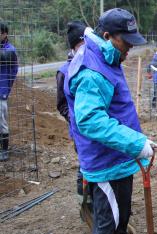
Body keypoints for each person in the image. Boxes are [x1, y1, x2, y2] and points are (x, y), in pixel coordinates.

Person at [64, 8, 155, 234]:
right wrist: (136, 143)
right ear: (106, 36)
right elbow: (90, 120)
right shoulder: (91, 70)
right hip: (105, 160)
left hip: (117, 156)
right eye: (125, 42)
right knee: (109, 219)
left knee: (120, 215)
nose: (129, 48)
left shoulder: (104, 56)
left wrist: (134, 142)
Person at [56, 21, 86, 196]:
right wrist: (75, 118)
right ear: (74, 47)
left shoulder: (93, 64)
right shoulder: (64, 71)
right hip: (78, 129)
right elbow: (61, 104)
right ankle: (83, 201)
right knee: (84, 164)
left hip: (97, 127)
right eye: (82, 45)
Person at [0, 22, 18, 162]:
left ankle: (4, 150)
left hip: (1, 92)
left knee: (2, 122)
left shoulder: (10, 51)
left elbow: (13, 72)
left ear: (5, 34)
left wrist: (6, 88)